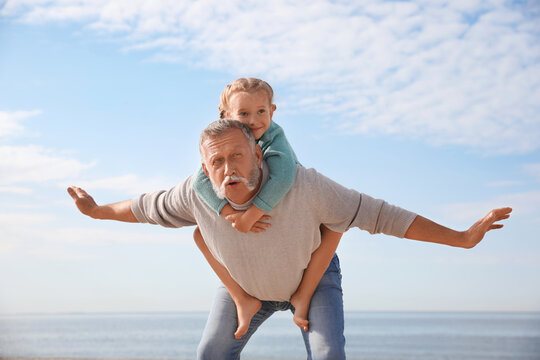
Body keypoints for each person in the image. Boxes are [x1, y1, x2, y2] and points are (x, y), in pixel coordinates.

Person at [67, 119, 511, 360]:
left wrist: (460, 238)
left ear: (259, 154)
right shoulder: (194, 194)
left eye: (237, 155)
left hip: (312, 282)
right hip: (246, 288)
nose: (227, 168)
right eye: (216, 162)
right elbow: (144, 207)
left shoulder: (305, 184)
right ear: (205, 169)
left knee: (328, 353)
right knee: (211, 353)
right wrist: (96, 210)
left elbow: (379, 214)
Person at [192, 77, 342, 339]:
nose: (254, 120)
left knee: (331, 227)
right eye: (244, 114)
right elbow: (199, 181)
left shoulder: (274, 137)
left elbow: (283, 177)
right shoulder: (226, 142)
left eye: (261, 111)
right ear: (228, 115)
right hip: (264, 257)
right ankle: (245, 300)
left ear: (272, 111)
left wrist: (252, 214)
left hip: (306, 239)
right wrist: (229, 214)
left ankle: (303, 297)